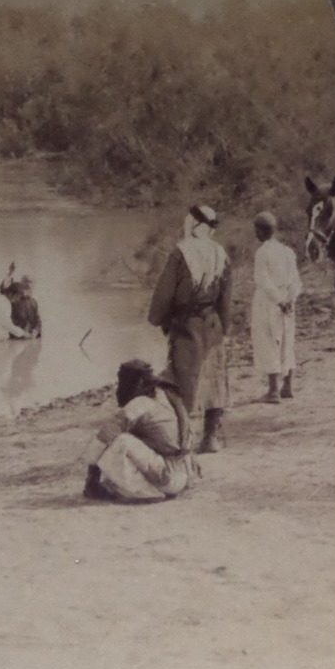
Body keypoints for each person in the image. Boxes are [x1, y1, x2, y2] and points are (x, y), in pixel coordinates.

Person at [148, 205, 232, 453]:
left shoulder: (181, 253)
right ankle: (210, 438)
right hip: (212, 323)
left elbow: (165, 293)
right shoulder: (221, 254)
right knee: (215, 379)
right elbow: (225, 299)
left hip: (187, 326)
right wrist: (224, 329)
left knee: (182, 380)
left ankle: (184, 439)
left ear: (194, 224)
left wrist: (158, 319)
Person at [81, 360, 197, 502]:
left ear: (135, 383)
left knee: (119, 440)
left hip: (169, 478)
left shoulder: (139, 404)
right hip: (182, 474)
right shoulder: (163, 397)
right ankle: (147, 489)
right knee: (125, 436)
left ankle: (146, 493)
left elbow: (104, 436)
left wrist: (92, 474)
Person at [250, 211, 303, 403]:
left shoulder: (262, 252)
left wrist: (280, 301)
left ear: (260, 231)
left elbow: (263, 280)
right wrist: (290, 300)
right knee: (287, 341)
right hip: (287, 304)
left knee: (268, 341)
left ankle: (273, 391)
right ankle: (287, 386)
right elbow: (296, 281)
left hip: (269, 302)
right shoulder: (287, 252)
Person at [0, 263, 42, 338]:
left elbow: (38, 320)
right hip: (15, 337)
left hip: (30, 337)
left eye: (31, 282)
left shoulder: (34, 302)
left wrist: (35, 331)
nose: (28, 284)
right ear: (21, 282)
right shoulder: (14, 298)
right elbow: (3, 290)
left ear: (34, 284)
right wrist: (9, 274)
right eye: (26, 281)